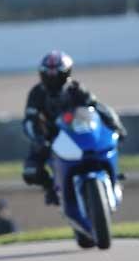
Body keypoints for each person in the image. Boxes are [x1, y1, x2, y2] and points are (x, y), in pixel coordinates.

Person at [21, 50, 127, 205]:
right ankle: (53, 189)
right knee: (30, 171)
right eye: (48, 74)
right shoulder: (37, 93)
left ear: (66, 73)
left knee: (106, 148)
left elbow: (98, 108)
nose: (53, 79)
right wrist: (39, 138)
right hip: (50, 138)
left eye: (57, 74)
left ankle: (113, 179)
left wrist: (116, 126)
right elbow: (29, 120)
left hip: (78, 134)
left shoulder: (76, 89)